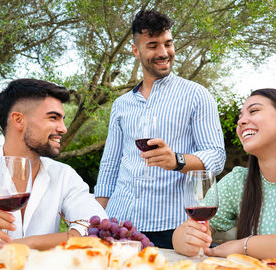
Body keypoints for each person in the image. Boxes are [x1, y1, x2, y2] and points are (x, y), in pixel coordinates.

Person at [94, 10, 226, 249]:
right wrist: (96, 219)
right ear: (136, 51)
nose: (164, 53)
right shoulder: (121, 104)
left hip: (173, 227)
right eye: (153, 45)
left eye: (168, 44)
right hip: (121, 223)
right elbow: (110, 166)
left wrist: (176, 160)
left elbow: (216, 156)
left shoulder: (197, 95)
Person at [172, 88, 276, 260]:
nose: (241, 122)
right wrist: (187, 239)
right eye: (240, 117)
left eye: (253, 111)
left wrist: (244, 246)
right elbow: (183, 233)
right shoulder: (239, 181)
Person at [0, 79, 107, 250]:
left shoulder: (64, 176)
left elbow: (100, 229)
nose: (63, 128)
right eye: (53, 117)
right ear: (18, 120)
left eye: (62, 119)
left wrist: (25, 244)